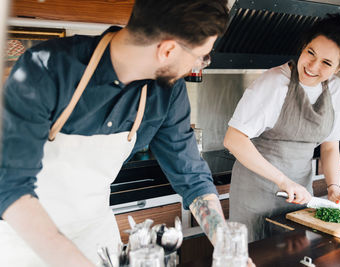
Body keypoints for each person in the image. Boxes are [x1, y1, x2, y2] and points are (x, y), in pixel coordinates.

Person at [0, 1, 231, 266]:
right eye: (201, 56)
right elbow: (11, 188)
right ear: (167, 50)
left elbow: (191, 175)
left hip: (95, 236)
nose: (198, 65)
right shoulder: (46, 69)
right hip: (25, 241)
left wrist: (227, 246)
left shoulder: (167, 92)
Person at [224, 13, 340, 242]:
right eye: (310, 53)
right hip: (255, 193)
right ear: (303, 46)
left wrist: (334, 188)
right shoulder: (274, 83)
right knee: (254, 255)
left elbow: (330, 146)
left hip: (301, 193)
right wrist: (282, 180)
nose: (312, 66)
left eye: (326, 63)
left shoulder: (338, 92)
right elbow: (234, 139)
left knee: (295, 255)